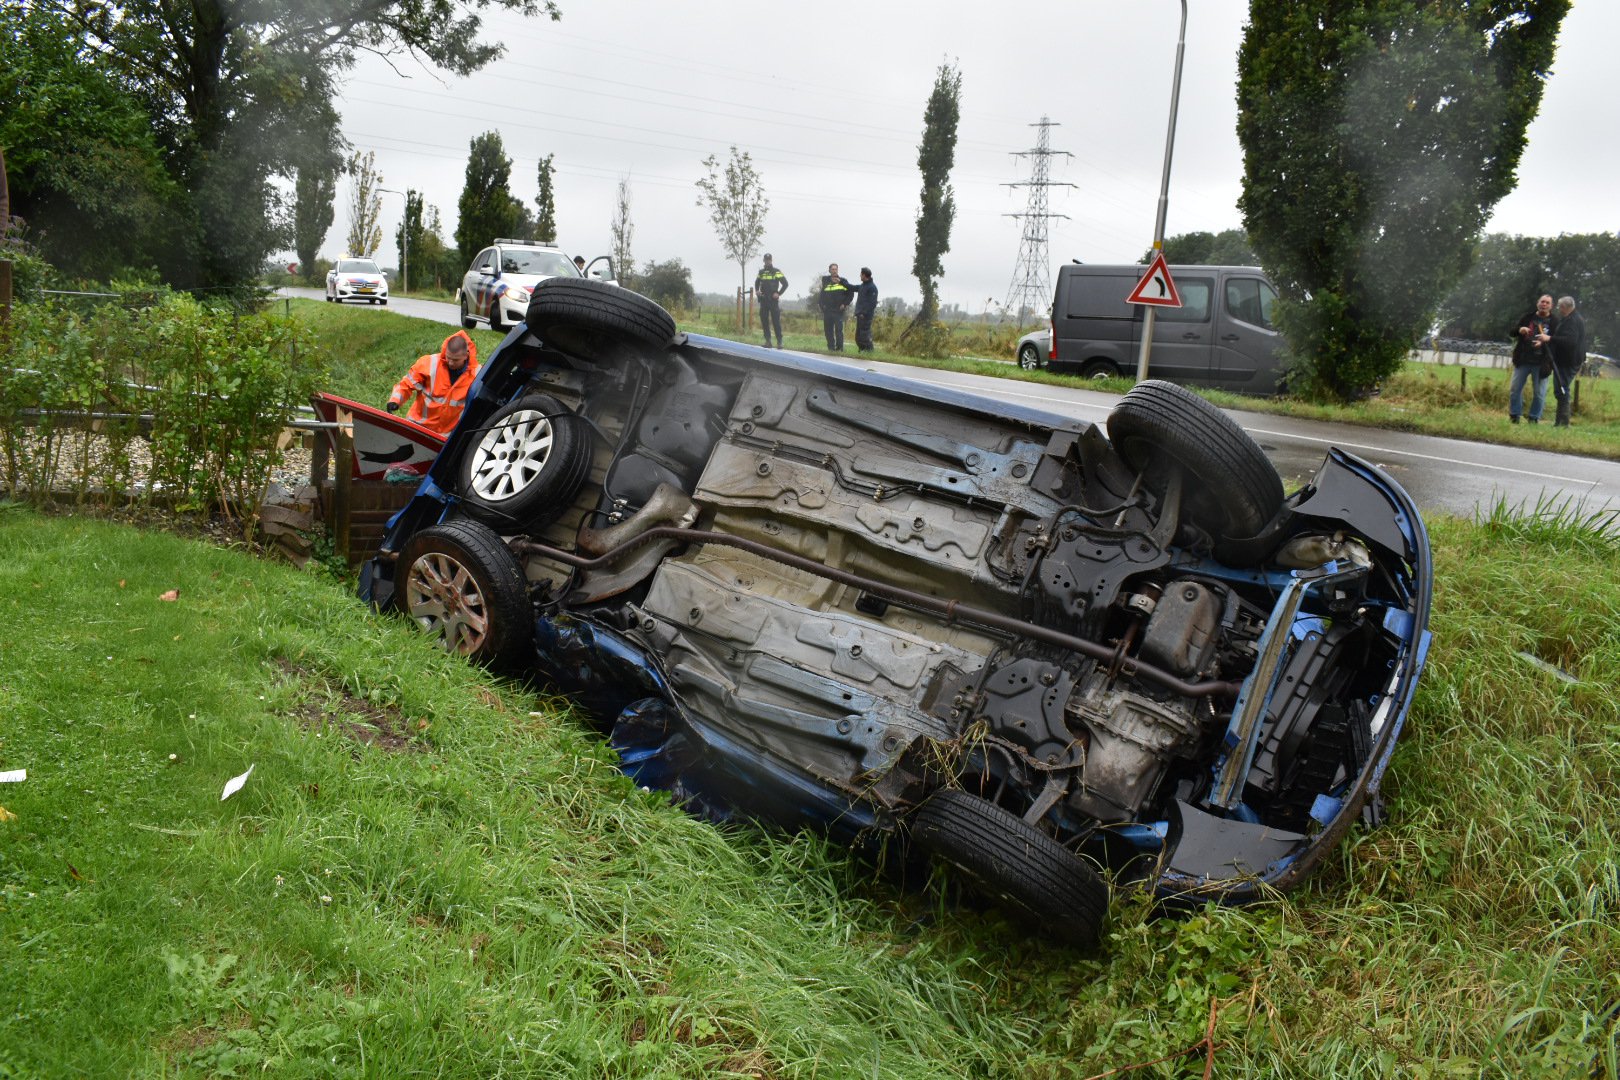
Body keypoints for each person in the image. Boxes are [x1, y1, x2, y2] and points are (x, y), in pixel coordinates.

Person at [386, 330, 480, 437]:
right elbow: (406, 384)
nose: (450, 363)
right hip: (417, 426)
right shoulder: (429, 363)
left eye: (455, 360)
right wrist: (395, 400)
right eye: (448, 357)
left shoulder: (477, 375)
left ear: (466, 355)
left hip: (445, 437)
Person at [1508, 294, 1556, 424]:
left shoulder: (1554, 321)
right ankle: (1515, 416)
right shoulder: (1527, 317)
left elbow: (1557, 341)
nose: (1544, 304)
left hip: (1541, 363)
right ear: (1537, 303)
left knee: (1539, 393)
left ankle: (1534, 418)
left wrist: (1544, 343)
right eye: (1542, 302)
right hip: (1523, 360)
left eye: (1547, 303)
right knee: (1514, 389)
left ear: (1551, 306)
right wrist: (1520, 329)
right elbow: (1512, 332)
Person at [1543, 295, 1585, 427]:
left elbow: (1570, 341)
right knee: (1560, 390)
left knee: (1562, 390)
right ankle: (1559, 422)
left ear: (1565, 307)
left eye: (1560, 307)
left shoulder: (1572, 320)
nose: (1559, 309)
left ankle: (1564, 423)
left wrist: (1550, 339)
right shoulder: (1570, 318)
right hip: (1565, 360)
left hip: (1568, 361)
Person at [754, 253, 789, 348]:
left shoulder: (776, 271)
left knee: (776, 322)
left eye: (769, 260)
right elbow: (756, 282)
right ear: (763, 260)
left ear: (771, 260)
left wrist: (778, 293)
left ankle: (779, 342)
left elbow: (785, 284)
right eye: (766, 260)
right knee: (764, 321)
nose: (767, 261)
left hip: (773, 301)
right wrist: (757, 291)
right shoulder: (761, 272)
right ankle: (768, 341)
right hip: (763, 300)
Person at [818, 263, 854, 350]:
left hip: (838, 311)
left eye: (836, 269)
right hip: (828, 311)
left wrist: (844, 304)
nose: (834, 271)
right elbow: (822, 295)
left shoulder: (843, 281)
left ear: (838, 270)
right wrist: (822, 306)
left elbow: (851, 294)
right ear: (830, 270)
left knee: (838, 330)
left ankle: (840, 348)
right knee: (828, 331)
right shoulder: (826, 281)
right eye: (833, 269)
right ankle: (831, 347)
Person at [853, 267, 878, 352]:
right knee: (858, 336)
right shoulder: (863, 286)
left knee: (865, 336)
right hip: (860, 315)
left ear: (864, 275)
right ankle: (862, 351)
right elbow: (853, 287)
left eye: (861, 274)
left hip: (866, 316)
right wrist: (841, 282)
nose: (860, 275)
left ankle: (870, 352)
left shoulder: (872, 287)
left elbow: (872, 304)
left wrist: (863, 313)